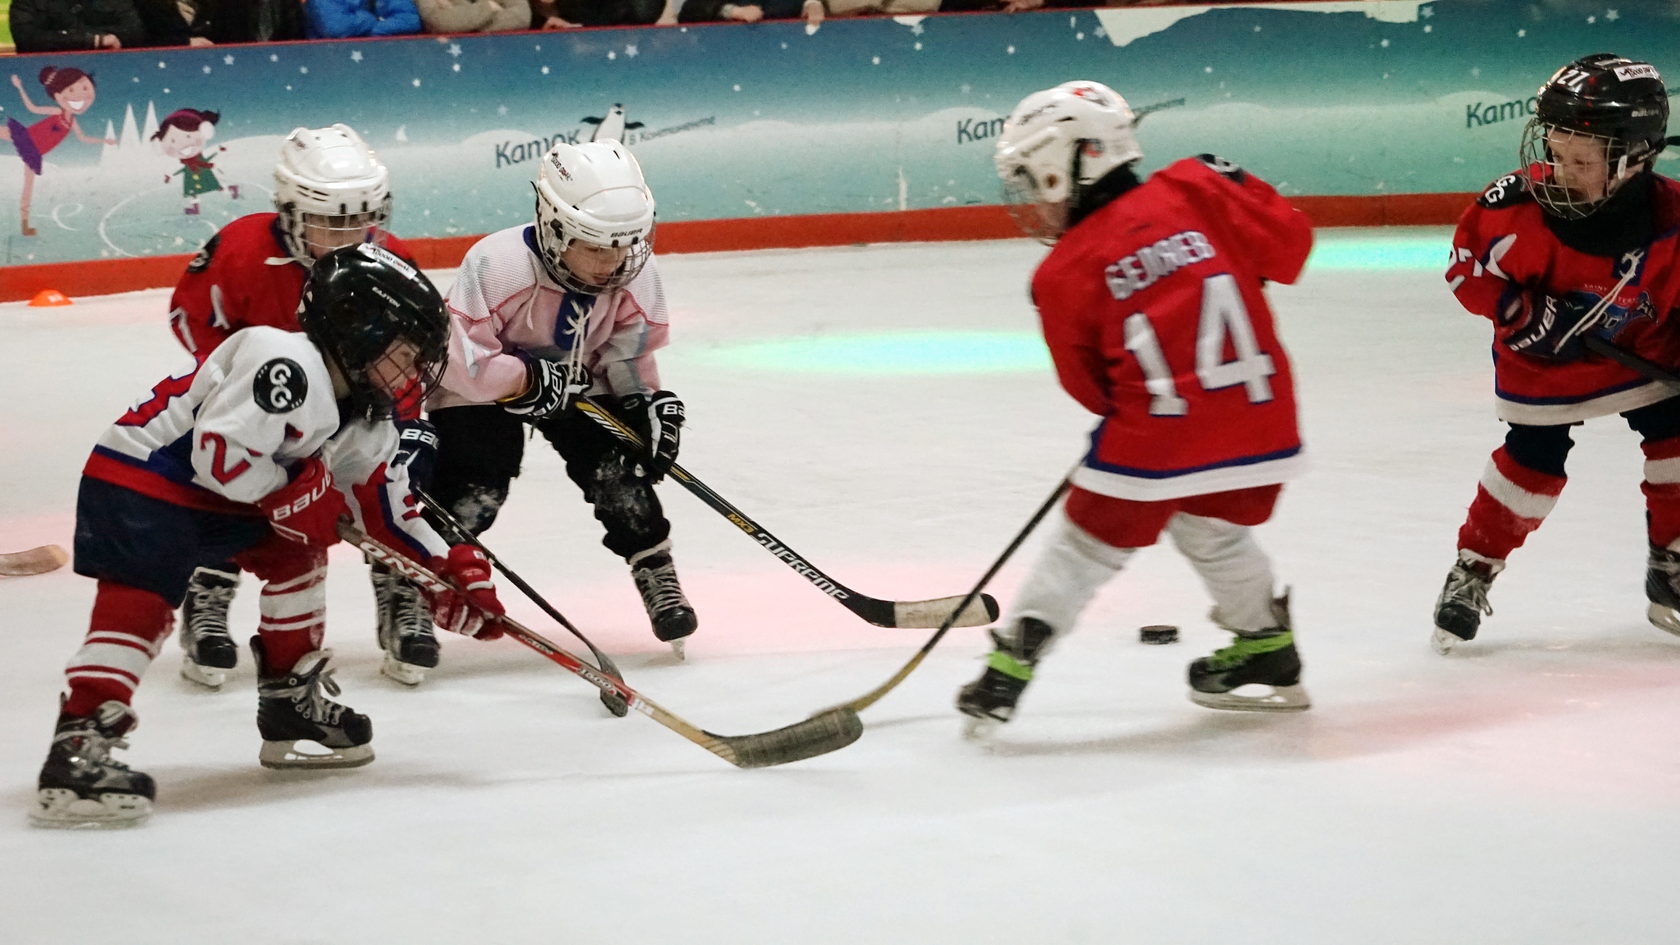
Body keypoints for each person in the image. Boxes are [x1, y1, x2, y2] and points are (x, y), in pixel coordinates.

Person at [32, 245, 508, 829]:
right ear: (360, 333)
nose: (413, 373)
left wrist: (449, 572)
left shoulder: (368, 415)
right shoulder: (283, 360)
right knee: (144, 598)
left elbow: (386, 509)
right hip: (146, 476)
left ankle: (289, 704)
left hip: (222, 495)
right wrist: (294, 494)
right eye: (404, 353)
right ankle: (80, 741)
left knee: (297, 556)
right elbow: (218, 454)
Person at [955, 80, 1315, 735]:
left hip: (1157, 435)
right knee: (1212, 528)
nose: (1035, 199)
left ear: (1073, 158)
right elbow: (1291, 246)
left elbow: (1091, 389)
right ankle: (1268, 649)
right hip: (1264, 421)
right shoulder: (1201, 183)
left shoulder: (1062, 271)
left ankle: (1009, 668)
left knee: (1083, 546)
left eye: (1036, 179)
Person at [167, 124, 442, 689]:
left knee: (399, 483)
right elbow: (189, 314)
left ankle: (399, 589)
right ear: (290, 210)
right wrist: (224, 383)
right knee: (226, 490)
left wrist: (408, 419)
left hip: (355, 411)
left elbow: (408, 354)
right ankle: (209, 591)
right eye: (330, 221)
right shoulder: (241, 249)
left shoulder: (388, 261)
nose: (347, 236)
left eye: (358, 220)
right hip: (262, 412)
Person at [1432, 53, 1680, 654]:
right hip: (1543, 365)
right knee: (1532, 463)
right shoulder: (1509, 207)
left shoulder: (1673, 218)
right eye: (1556, 151)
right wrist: (1518, 312)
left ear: (1634, 159)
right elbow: (1465, 271)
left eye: (1581, 161)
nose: (1560, 170)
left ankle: (1669, 566)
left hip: (1643, 352)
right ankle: (1474, 567)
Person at [424, 139, 699, 656]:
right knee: (476, 481)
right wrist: (527, 380)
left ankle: (654, 567)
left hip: (577, 380)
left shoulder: (634, 274)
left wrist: (644, 403)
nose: (614, 261)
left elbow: (627, 353)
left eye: (625, 243)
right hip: (479, 388)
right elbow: (462, 362)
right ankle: (418, 580)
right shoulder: (495, 264)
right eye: (596, 245)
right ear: (553, 227)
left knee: (618, 470)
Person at [1, 68, 119, 237]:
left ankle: (25, 225)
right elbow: (32, 108)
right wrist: (19, 87)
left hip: (35, 152)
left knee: (28, 186)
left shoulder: (72, 122)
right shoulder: (58, 111)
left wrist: (104, 141)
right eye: (71, 90)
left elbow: (83, 138)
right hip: (27, 138)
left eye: (85, 88)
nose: (80, 96)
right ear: (57, 96)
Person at [7, 0, 145, 53]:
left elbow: (134, 31)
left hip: (110, 71)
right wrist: (93, 40)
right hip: (43, 72)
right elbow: (26, 38)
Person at [303, 0, 422, 38]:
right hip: (330, 63)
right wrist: (372, 19)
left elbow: (410, 21)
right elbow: (336, 28)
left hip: (384, 59)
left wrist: (364, 31)